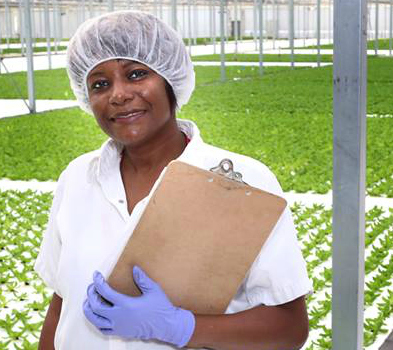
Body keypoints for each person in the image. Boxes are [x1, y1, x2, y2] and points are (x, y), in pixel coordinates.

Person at [34, 10, 312, 350]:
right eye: (100, 84)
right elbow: (61, 303)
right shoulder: (77, 178)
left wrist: (180, 326)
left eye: (136, 74)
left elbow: (289, 328)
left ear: (170, 79)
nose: (118, 95)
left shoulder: (242, 183)